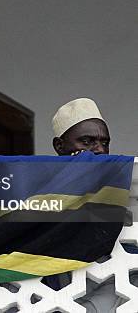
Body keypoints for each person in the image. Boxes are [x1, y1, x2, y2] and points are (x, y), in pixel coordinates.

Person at [49, 97, 130, 312]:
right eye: (87, 142)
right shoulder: (40, 191)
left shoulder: (122, 190)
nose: (100, 150)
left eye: (105, 143)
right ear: (59, 145)